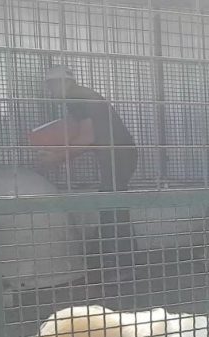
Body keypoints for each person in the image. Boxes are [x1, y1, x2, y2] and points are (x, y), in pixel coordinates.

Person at [38, 65, 138, 283]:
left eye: (51, 85)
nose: (50, 91)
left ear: (61, 83)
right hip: (121, 154)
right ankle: (120, 262)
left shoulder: (76, 98)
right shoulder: (81, 96)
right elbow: (83, 137)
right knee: (113, 205)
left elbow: (86, 137)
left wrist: (58, 157)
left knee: (112, 208)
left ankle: (121, 267)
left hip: (118, 155)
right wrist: (62, 153)